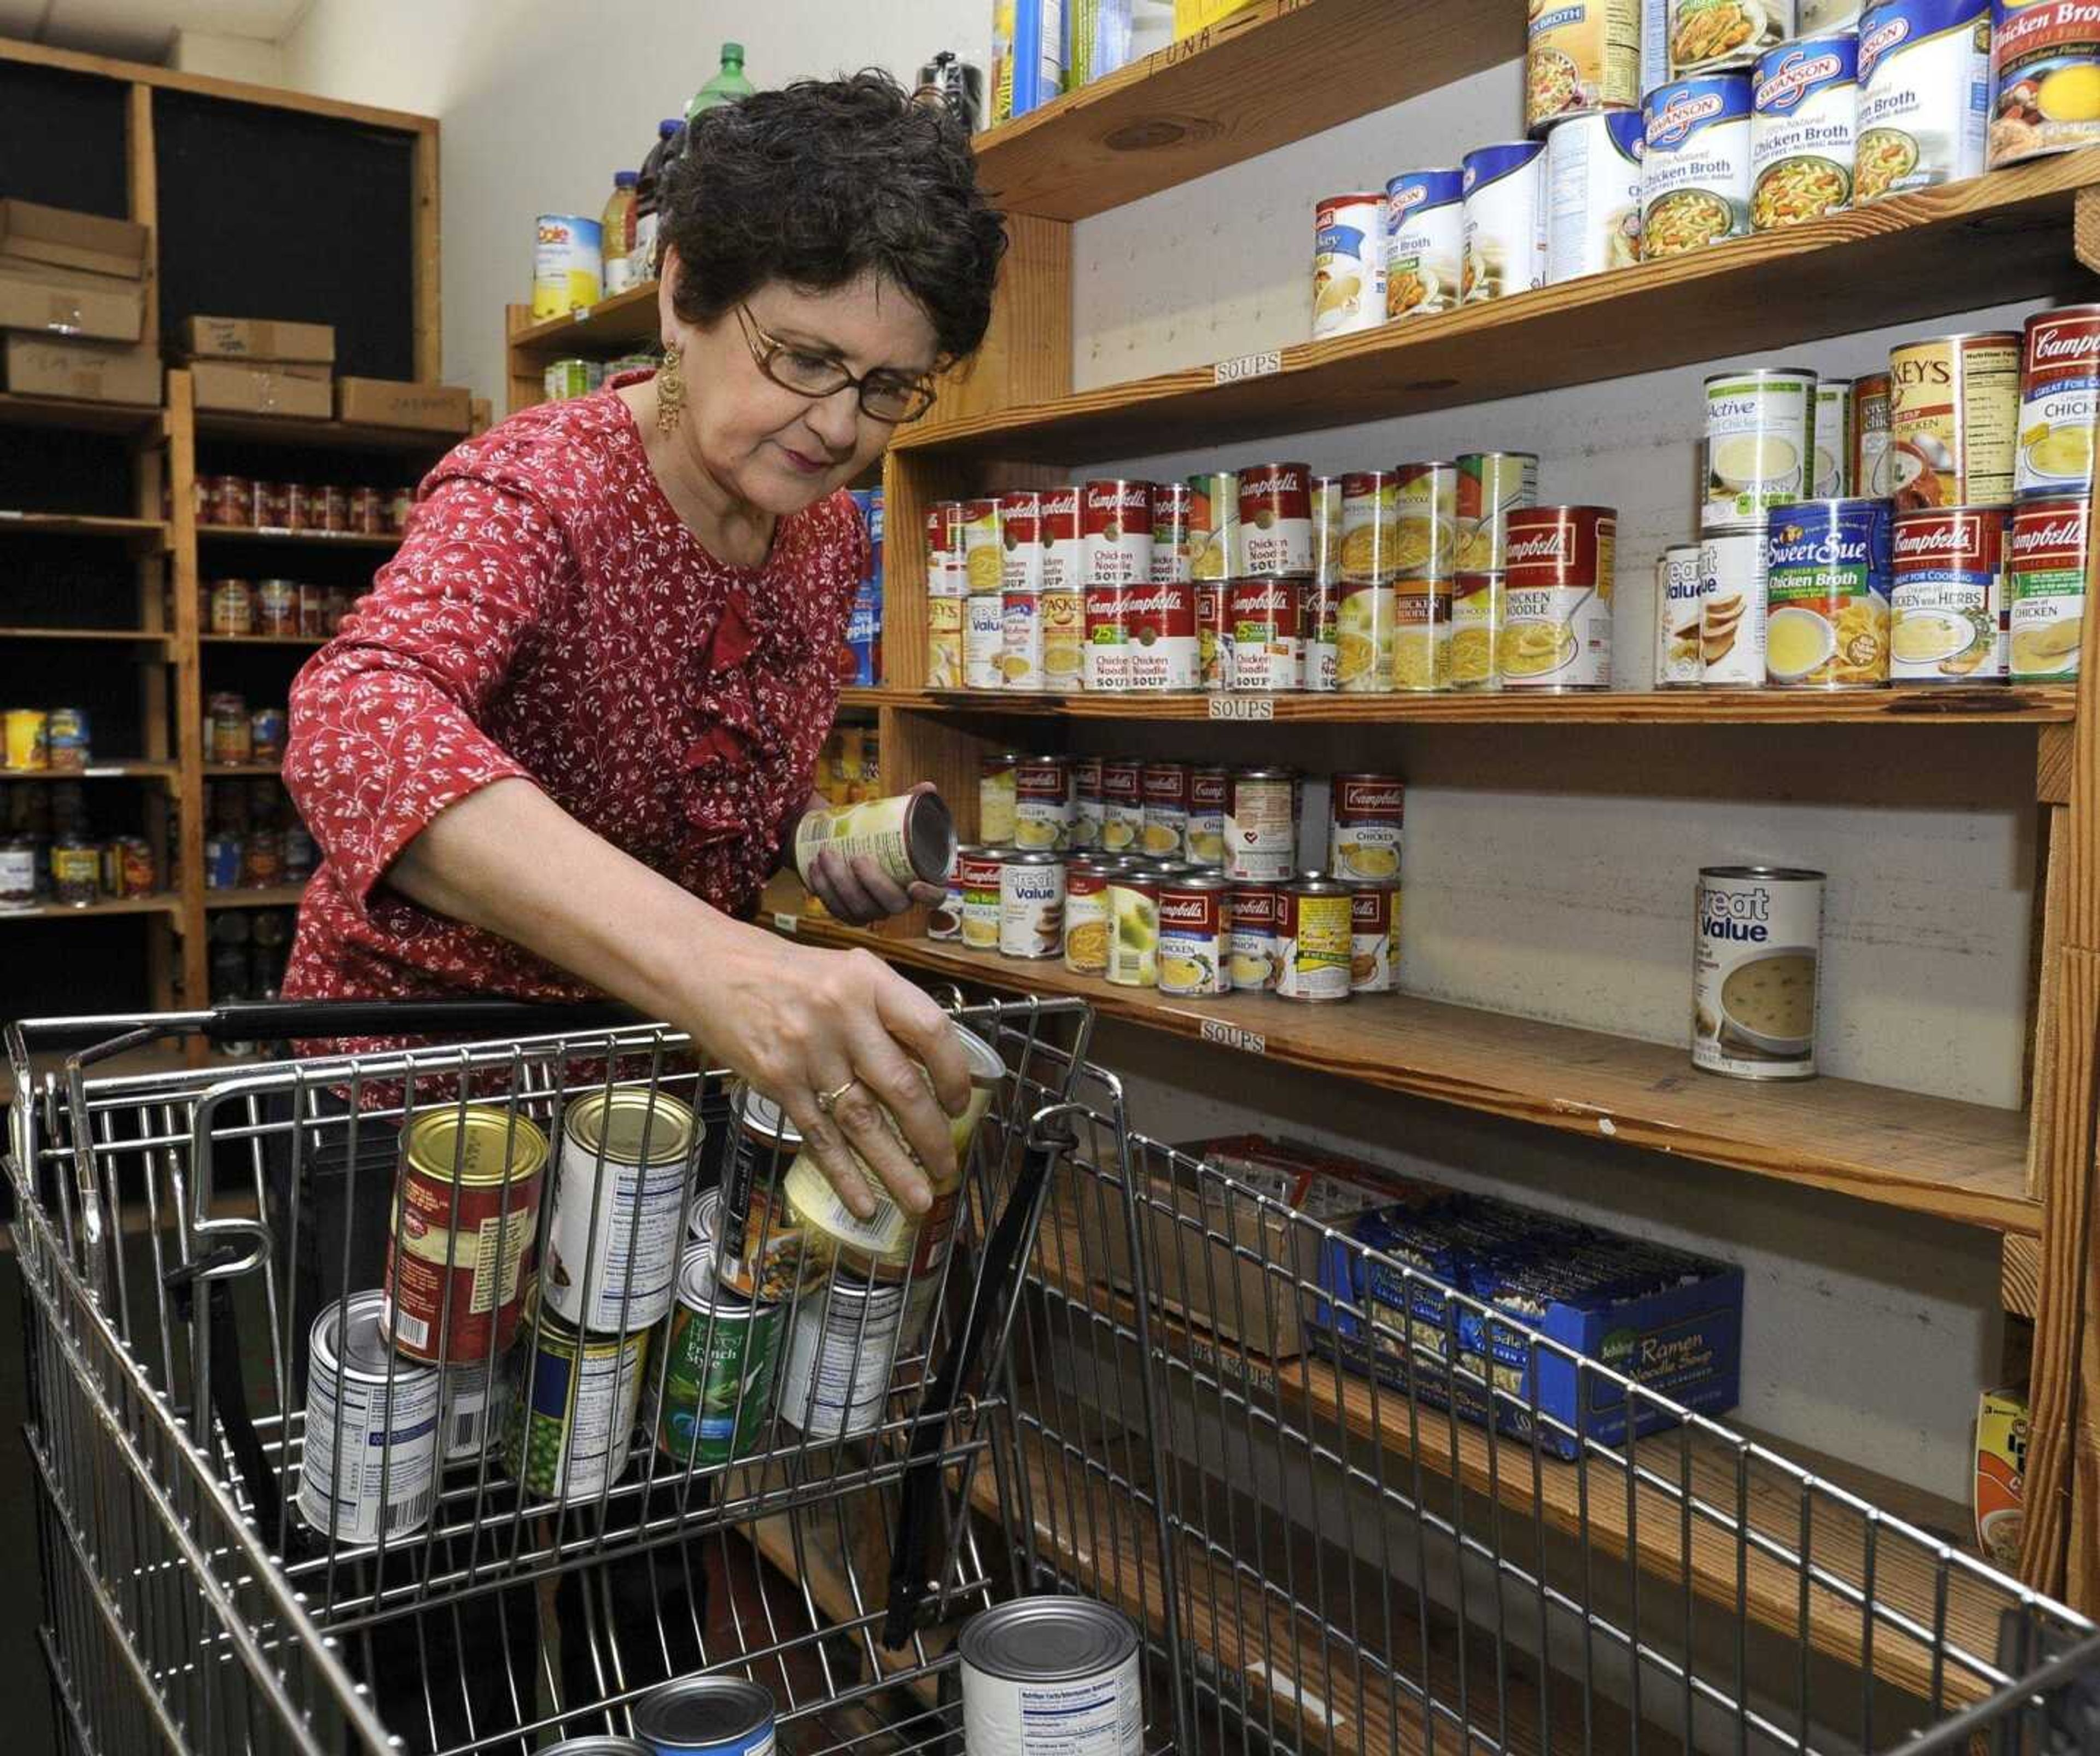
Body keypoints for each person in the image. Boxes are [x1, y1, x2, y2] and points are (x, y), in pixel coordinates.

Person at [266, 71, 1007, 1748]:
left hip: (641, 1112)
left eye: (889, 387)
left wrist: (820, 867)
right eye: (801, 357)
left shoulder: (819, 540)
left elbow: (687, 813)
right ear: (680, 293)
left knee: (644, 1512)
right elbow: (358, 714)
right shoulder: (534, 491)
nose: (836, 425)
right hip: (421, 1112)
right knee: (423, 1560)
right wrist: (717, 963)